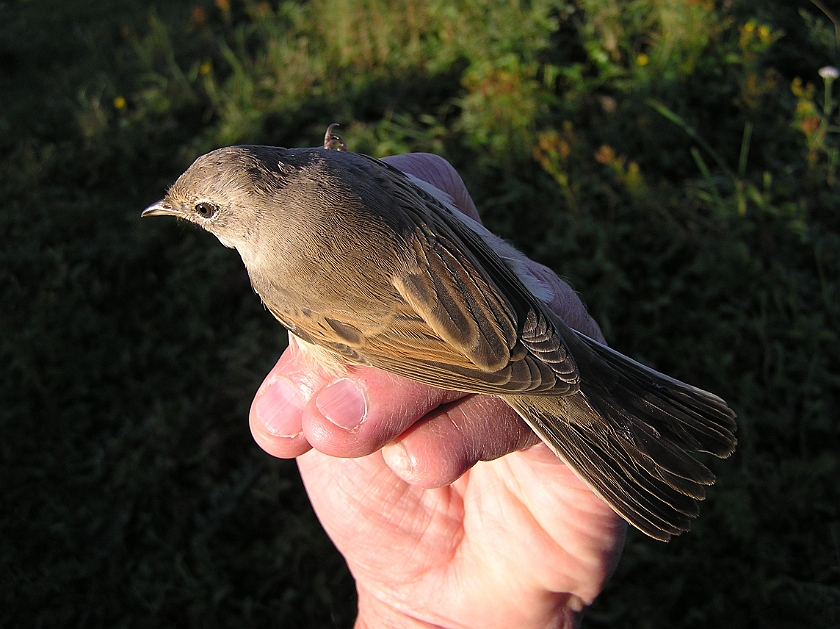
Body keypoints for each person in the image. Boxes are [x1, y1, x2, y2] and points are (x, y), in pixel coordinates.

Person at [248, 152, 627, 629]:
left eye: (204, 212)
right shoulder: (331, 172)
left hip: (473, 334)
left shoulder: (275, 280)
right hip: (476, 325)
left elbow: (388, 341)